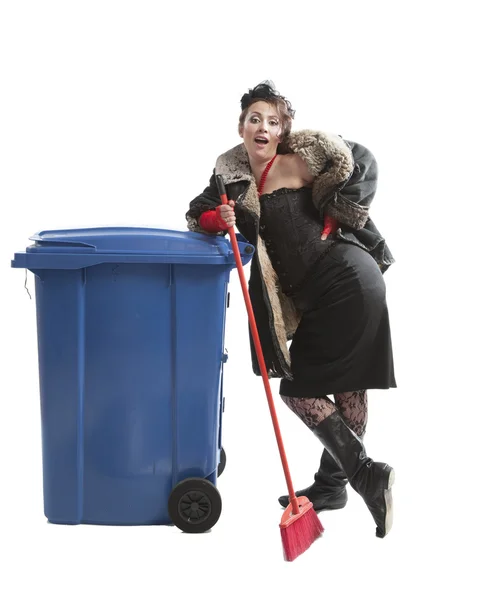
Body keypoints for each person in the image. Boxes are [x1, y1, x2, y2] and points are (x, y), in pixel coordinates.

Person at [185, 81, 396, 538]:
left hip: (347, 277)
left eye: (273, 121)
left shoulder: (296, 161)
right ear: (241, 127)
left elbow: (359, 158)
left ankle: (362, 474)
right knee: (347, 386)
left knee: (297, 391)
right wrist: (216, 220)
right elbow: (196, 213)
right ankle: (333, 486)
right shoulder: (231, 179)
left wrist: (337, 210)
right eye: (254, 119)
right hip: (325, 292)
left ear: (283, 131)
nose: (263, 127)